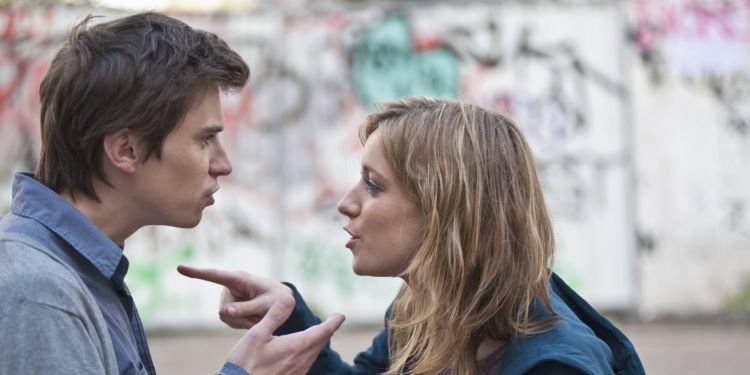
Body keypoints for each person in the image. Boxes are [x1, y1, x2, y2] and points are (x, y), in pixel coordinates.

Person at [179, 97, 646, 374]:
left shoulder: (555, 367)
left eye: (374, 185)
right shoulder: (423, 309)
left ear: (446, 210)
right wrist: (291, 317)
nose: (347, 203)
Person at [0, 12, 344, 375]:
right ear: (126, 150)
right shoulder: (38, 292)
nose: (223, 164)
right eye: (206, 139)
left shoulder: (75, 268)